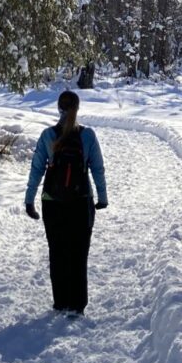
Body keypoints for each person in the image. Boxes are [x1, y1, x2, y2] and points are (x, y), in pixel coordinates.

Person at [24, 89, 108, 313]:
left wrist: (29, 200)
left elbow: (36, 169)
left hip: (52, 202)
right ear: (77, 108)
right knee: (79, 253)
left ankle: (60, 302)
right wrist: (103, 197)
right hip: (81, 202)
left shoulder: (47, 135)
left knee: (57, 251)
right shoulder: (88, 136)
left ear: (58, 108)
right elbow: (98, 169)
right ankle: (77, 304)